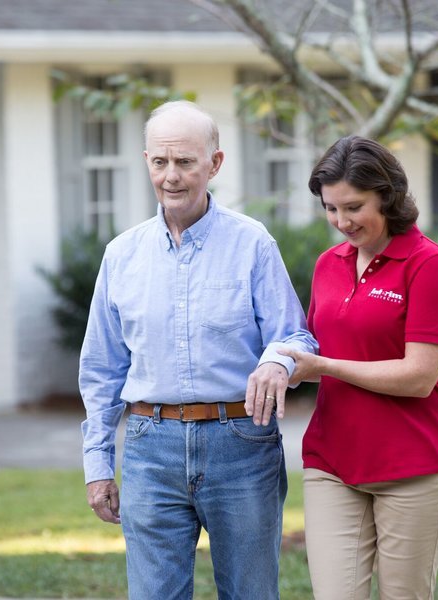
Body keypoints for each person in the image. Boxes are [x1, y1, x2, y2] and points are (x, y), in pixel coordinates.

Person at [79, 100, 317, 600]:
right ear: (146, 160)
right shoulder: (121, 255)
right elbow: (102, 369)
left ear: (215, 163)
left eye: (185, 162)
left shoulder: (253, 244)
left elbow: (296, 336)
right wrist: (98, 464)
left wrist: (276, 358)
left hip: (242, 446)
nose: (171, 176)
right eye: (160, 162)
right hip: (150, 447)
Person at [277, 136, 438, 600]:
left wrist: (325, 365)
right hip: (332, 463)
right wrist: (290, 367)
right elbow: (323, 357)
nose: (342, 222)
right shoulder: (327, 266)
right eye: (330, 208)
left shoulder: (428, 265)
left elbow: (420, 377)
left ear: (388, 195)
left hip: (413, 466)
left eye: (354, 206)